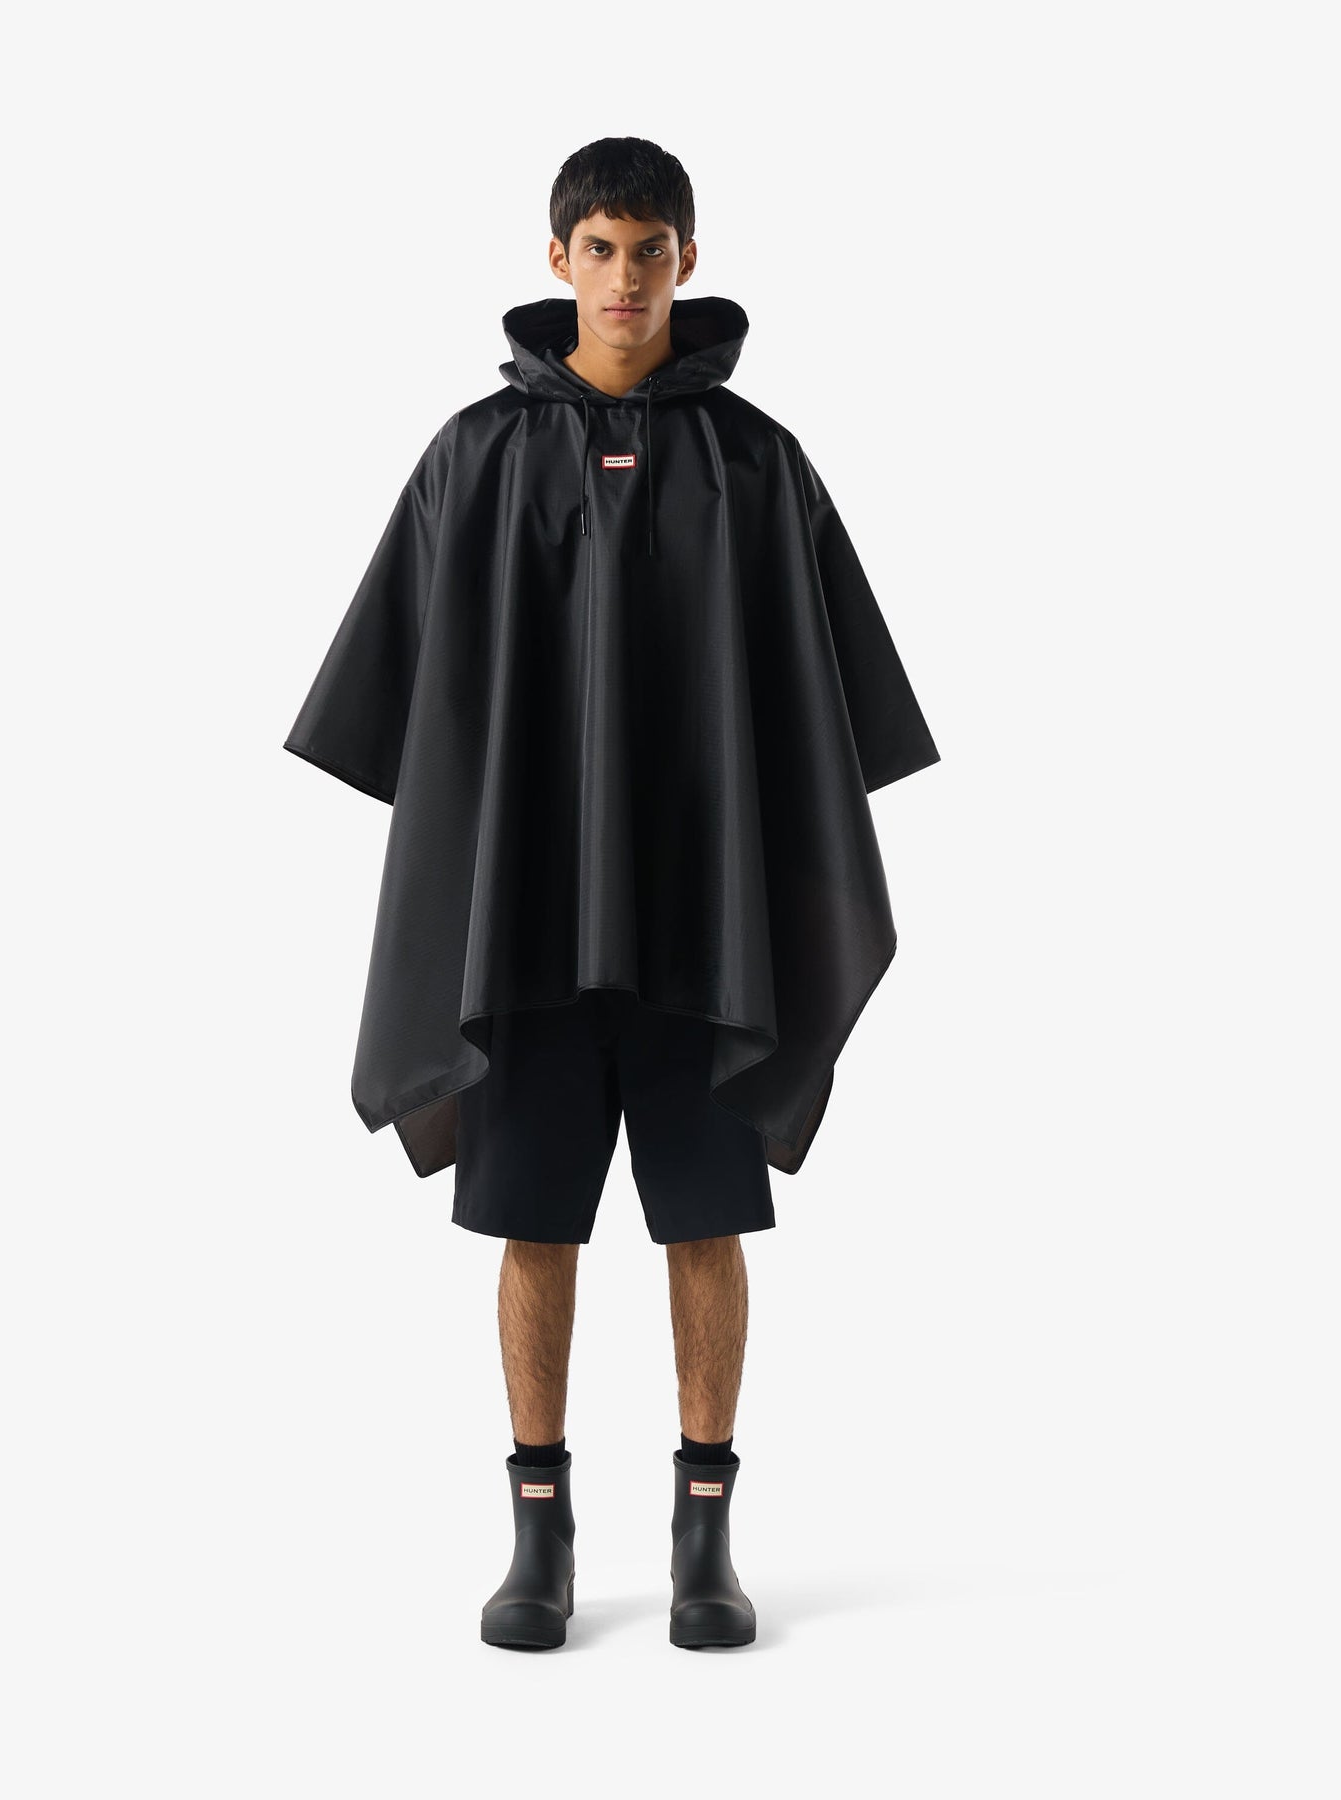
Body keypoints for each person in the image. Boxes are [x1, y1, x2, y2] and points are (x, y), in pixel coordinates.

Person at [282, 137, 941, 1651]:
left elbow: (822, 711)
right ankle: (542, 1535)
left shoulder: (759, 464)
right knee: (536, 1225)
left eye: (652, 250)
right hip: (530, 918)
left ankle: (705, 1537)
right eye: (602, 248)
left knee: (707, 1224)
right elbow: (416, 705)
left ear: (687, 261)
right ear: (557, 257)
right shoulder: (476, 454)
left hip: (707, 919)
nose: (627, 277)